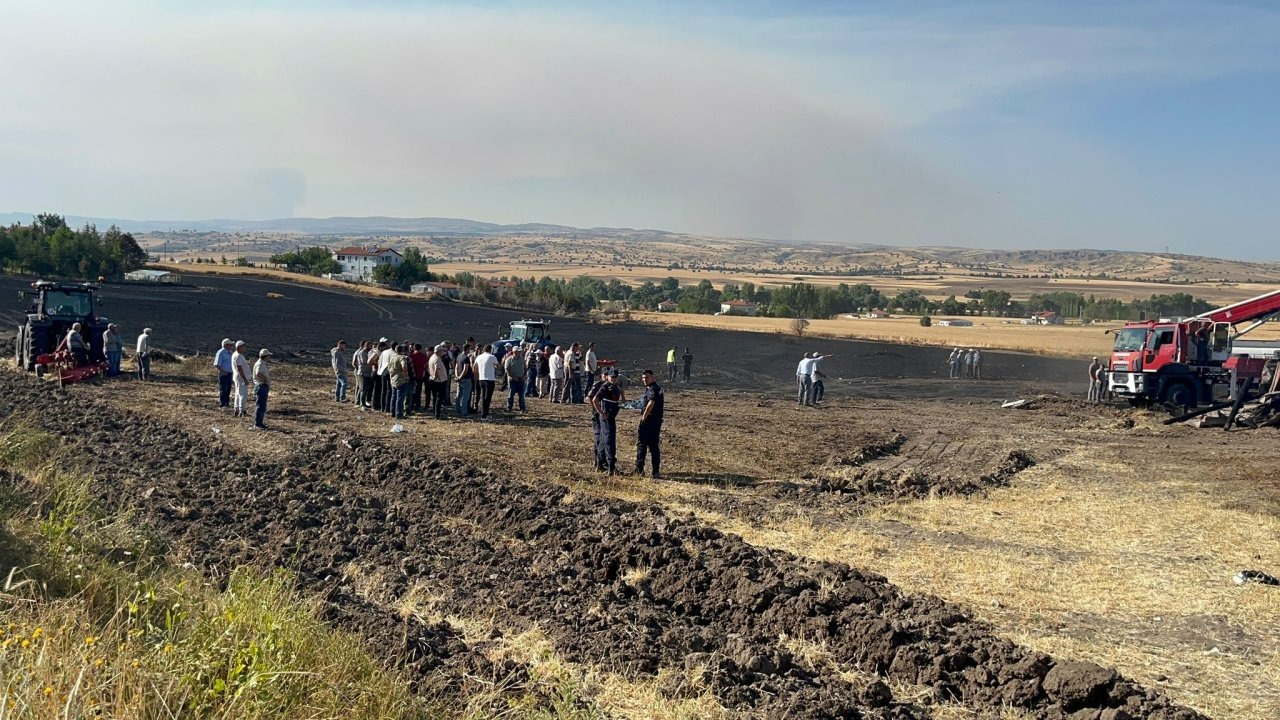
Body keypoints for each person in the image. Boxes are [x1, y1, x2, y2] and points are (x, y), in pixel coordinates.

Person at [591, 367, 624, 474]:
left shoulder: (616, 387)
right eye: (612, 377)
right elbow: (594, 399)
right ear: (608, 377)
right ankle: (610, 467)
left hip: (611, 416)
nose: (613, 379)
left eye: (615, 377)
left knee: (603, 440)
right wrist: (601, 413)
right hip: (606, 417)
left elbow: (620, 401)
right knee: (609, 441)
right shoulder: (605, 387)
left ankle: (601, 464)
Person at [634, 369, 664, 479]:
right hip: (656, 421)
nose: (644, 380)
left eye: (647, 377)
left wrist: (643, 417)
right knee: (654, 446)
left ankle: (639, 470)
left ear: (652, 377)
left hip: (650, 421)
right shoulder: (656, 389)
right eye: (643, 378)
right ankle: (655, 471)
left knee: (642, 445)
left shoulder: (653, 389)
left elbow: (651, 402)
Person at [474, 344, 499, 419]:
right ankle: (484, 415)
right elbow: (498, 366)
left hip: (481, 379)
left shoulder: (479, 357)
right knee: (487, 398)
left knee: (483, 396)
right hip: (489, 380)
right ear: (490, 349)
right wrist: (495, 366)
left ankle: (483, 413)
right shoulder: (491, 357)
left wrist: (476, 376)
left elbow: (474, 367)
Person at [388, 344, 412, 419]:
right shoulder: (402, 358)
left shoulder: (392, 357)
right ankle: (399, 414)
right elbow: (404, 366)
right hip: (401, 380)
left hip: (393, 379)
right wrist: (404, 373)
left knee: (394, 396)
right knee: (400, 398)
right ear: (402, 351)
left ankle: (393, 412)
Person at [427, 344, 449, 419]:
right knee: (440, 398)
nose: (443, 352)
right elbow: (437, 369)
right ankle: (438, 414)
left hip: (433, 380)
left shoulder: (432, 357)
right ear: (439, 351)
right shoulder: (437, 359)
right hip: (439, 381)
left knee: (435, 398)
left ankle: (435, 412)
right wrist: (436, 377)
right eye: (442, 351)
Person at [252, 348, 272, 429]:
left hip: (262, 386)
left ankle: (260, 422)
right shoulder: (260, 364)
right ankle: (258, 424)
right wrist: (265, 380)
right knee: (260, 405)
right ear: (265, 356)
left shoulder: (262, 363)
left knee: (262, 405)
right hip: (261, 386)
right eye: (268, 356)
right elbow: (258, 373)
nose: (269, 357)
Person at [504, 345, 528, 412]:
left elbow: (525, 368)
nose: (520, 352)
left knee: (521, 395)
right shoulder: (509, 360)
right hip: (513, 380)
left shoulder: (522, 359)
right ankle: (509, 408)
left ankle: (522, 408)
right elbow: (507, 370)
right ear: (515, 352)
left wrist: (525, 375)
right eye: (518, 351)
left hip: (521, 379)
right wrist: (513, 377)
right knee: (511, 395)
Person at [231, 340, 251, 417]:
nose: (245, 348)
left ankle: (237, 409)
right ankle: (242, 411)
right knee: (243, 395)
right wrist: (245, 379)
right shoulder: (238, 356)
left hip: (238, 377)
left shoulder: (236, 354)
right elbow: (239, 368)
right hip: (241, 378)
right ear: (239, 347)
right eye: (244, 347)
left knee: (238, 394)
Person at [454, 344, 474, 417]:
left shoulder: (459, 356)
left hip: (459, 379)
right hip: (466, 379)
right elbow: (465, 369)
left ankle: (458, 409)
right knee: (465, 397)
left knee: (458, 396)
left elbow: (456, 367)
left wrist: (457, 376)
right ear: (467, 349)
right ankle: (464, 412)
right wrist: (460, 377)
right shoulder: (466, 358)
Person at [214, 338, 234, 408]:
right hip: (224, 374)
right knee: (223, 389)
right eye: (230, 344)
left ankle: (226, 403)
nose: (232, 346)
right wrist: (223, 372)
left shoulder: (230, 353)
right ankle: (222, 404)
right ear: (226, 345)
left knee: (228, 389)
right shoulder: (221, 352)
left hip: (230, 373)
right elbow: (217, 364)